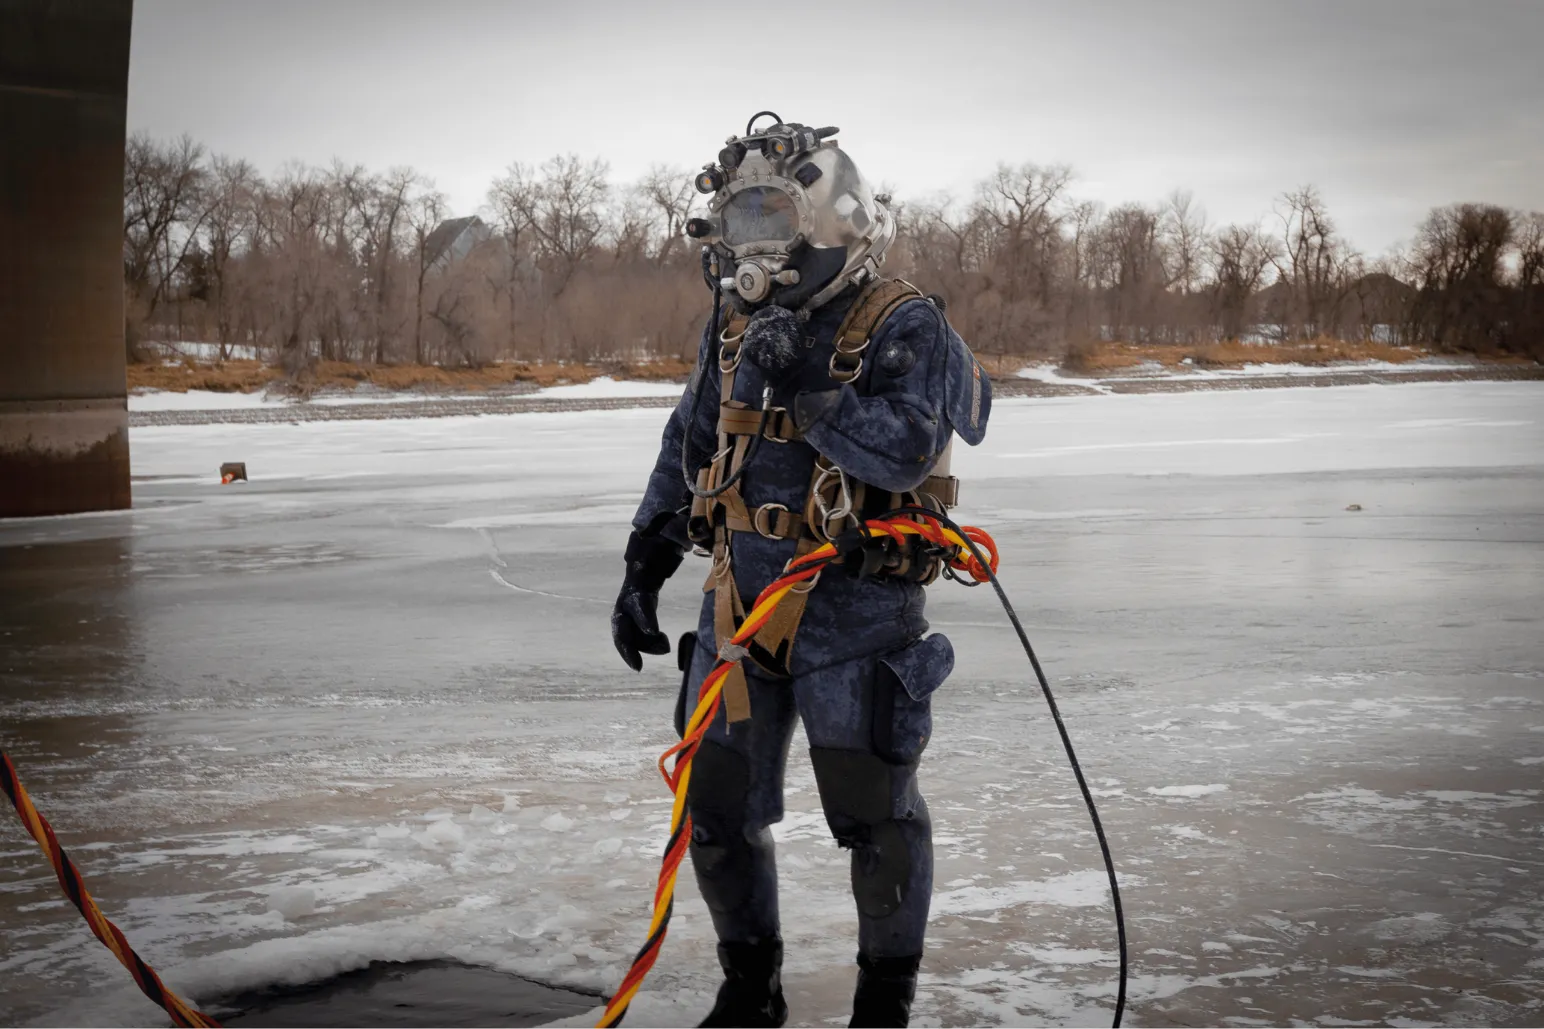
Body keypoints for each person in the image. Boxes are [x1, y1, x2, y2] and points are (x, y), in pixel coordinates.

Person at [611, 115, 992, 1029]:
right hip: (739, 609)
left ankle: (881, 1010)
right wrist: (645, 554)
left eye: (769, 219)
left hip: (855, 613)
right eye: (738, 223)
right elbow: (693, 440)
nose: (753, 248)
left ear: (827, 219)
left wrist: (808, 392)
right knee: (716, 811)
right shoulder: (736, 323)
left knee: (874, 814)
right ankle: (751, 992)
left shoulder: (903, 320)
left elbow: (906, 452)